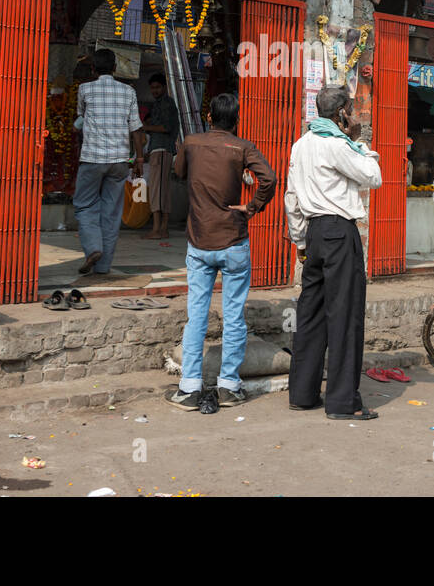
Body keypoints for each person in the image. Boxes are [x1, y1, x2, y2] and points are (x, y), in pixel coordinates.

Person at [168, 93, 276, 410]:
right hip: (233, 241)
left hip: (199, 242)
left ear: (210, 117)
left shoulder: (191, 142)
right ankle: (228, 386)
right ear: (236, 120)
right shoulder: (242, 147)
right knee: (233, 317)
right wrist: (252, 207)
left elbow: (179, 172)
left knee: (196, 316)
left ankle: (189, 387)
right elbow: (268, 178)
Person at [285, 85, 383, 420]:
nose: (354, 116)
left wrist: (300, 241)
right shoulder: (337, 145)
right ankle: (342, 402)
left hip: (313, 234)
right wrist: (359, 142)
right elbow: (374, 176)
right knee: (344, 316)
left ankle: (302, 393)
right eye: (351, 110)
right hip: (339, 233)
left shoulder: (301, 145)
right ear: (341, 113)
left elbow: (292, 198)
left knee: (310, 314)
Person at [74, 48, 144, 275]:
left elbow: (81, 119)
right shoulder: (128, 92)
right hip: (119, 161)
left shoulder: (85, 89)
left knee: (85, 205)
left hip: (92, 158)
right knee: (112, 212)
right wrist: (139, 158)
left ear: (93, 69)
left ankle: (93, 247)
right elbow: (136, 129)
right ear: (116, 68)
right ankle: (103, 267)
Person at [141, 73, 180, 240]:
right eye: (152, 88)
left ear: (164, 87)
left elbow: (166, 127)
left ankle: (158, 228)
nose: (154, 91)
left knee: (158, 190)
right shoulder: (159, 104)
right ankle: (161, 228)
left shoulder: (166, 103)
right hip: (159, 149)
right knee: (161, 189)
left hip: (162, 149)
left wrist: (146, 127)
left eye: (157, 87)